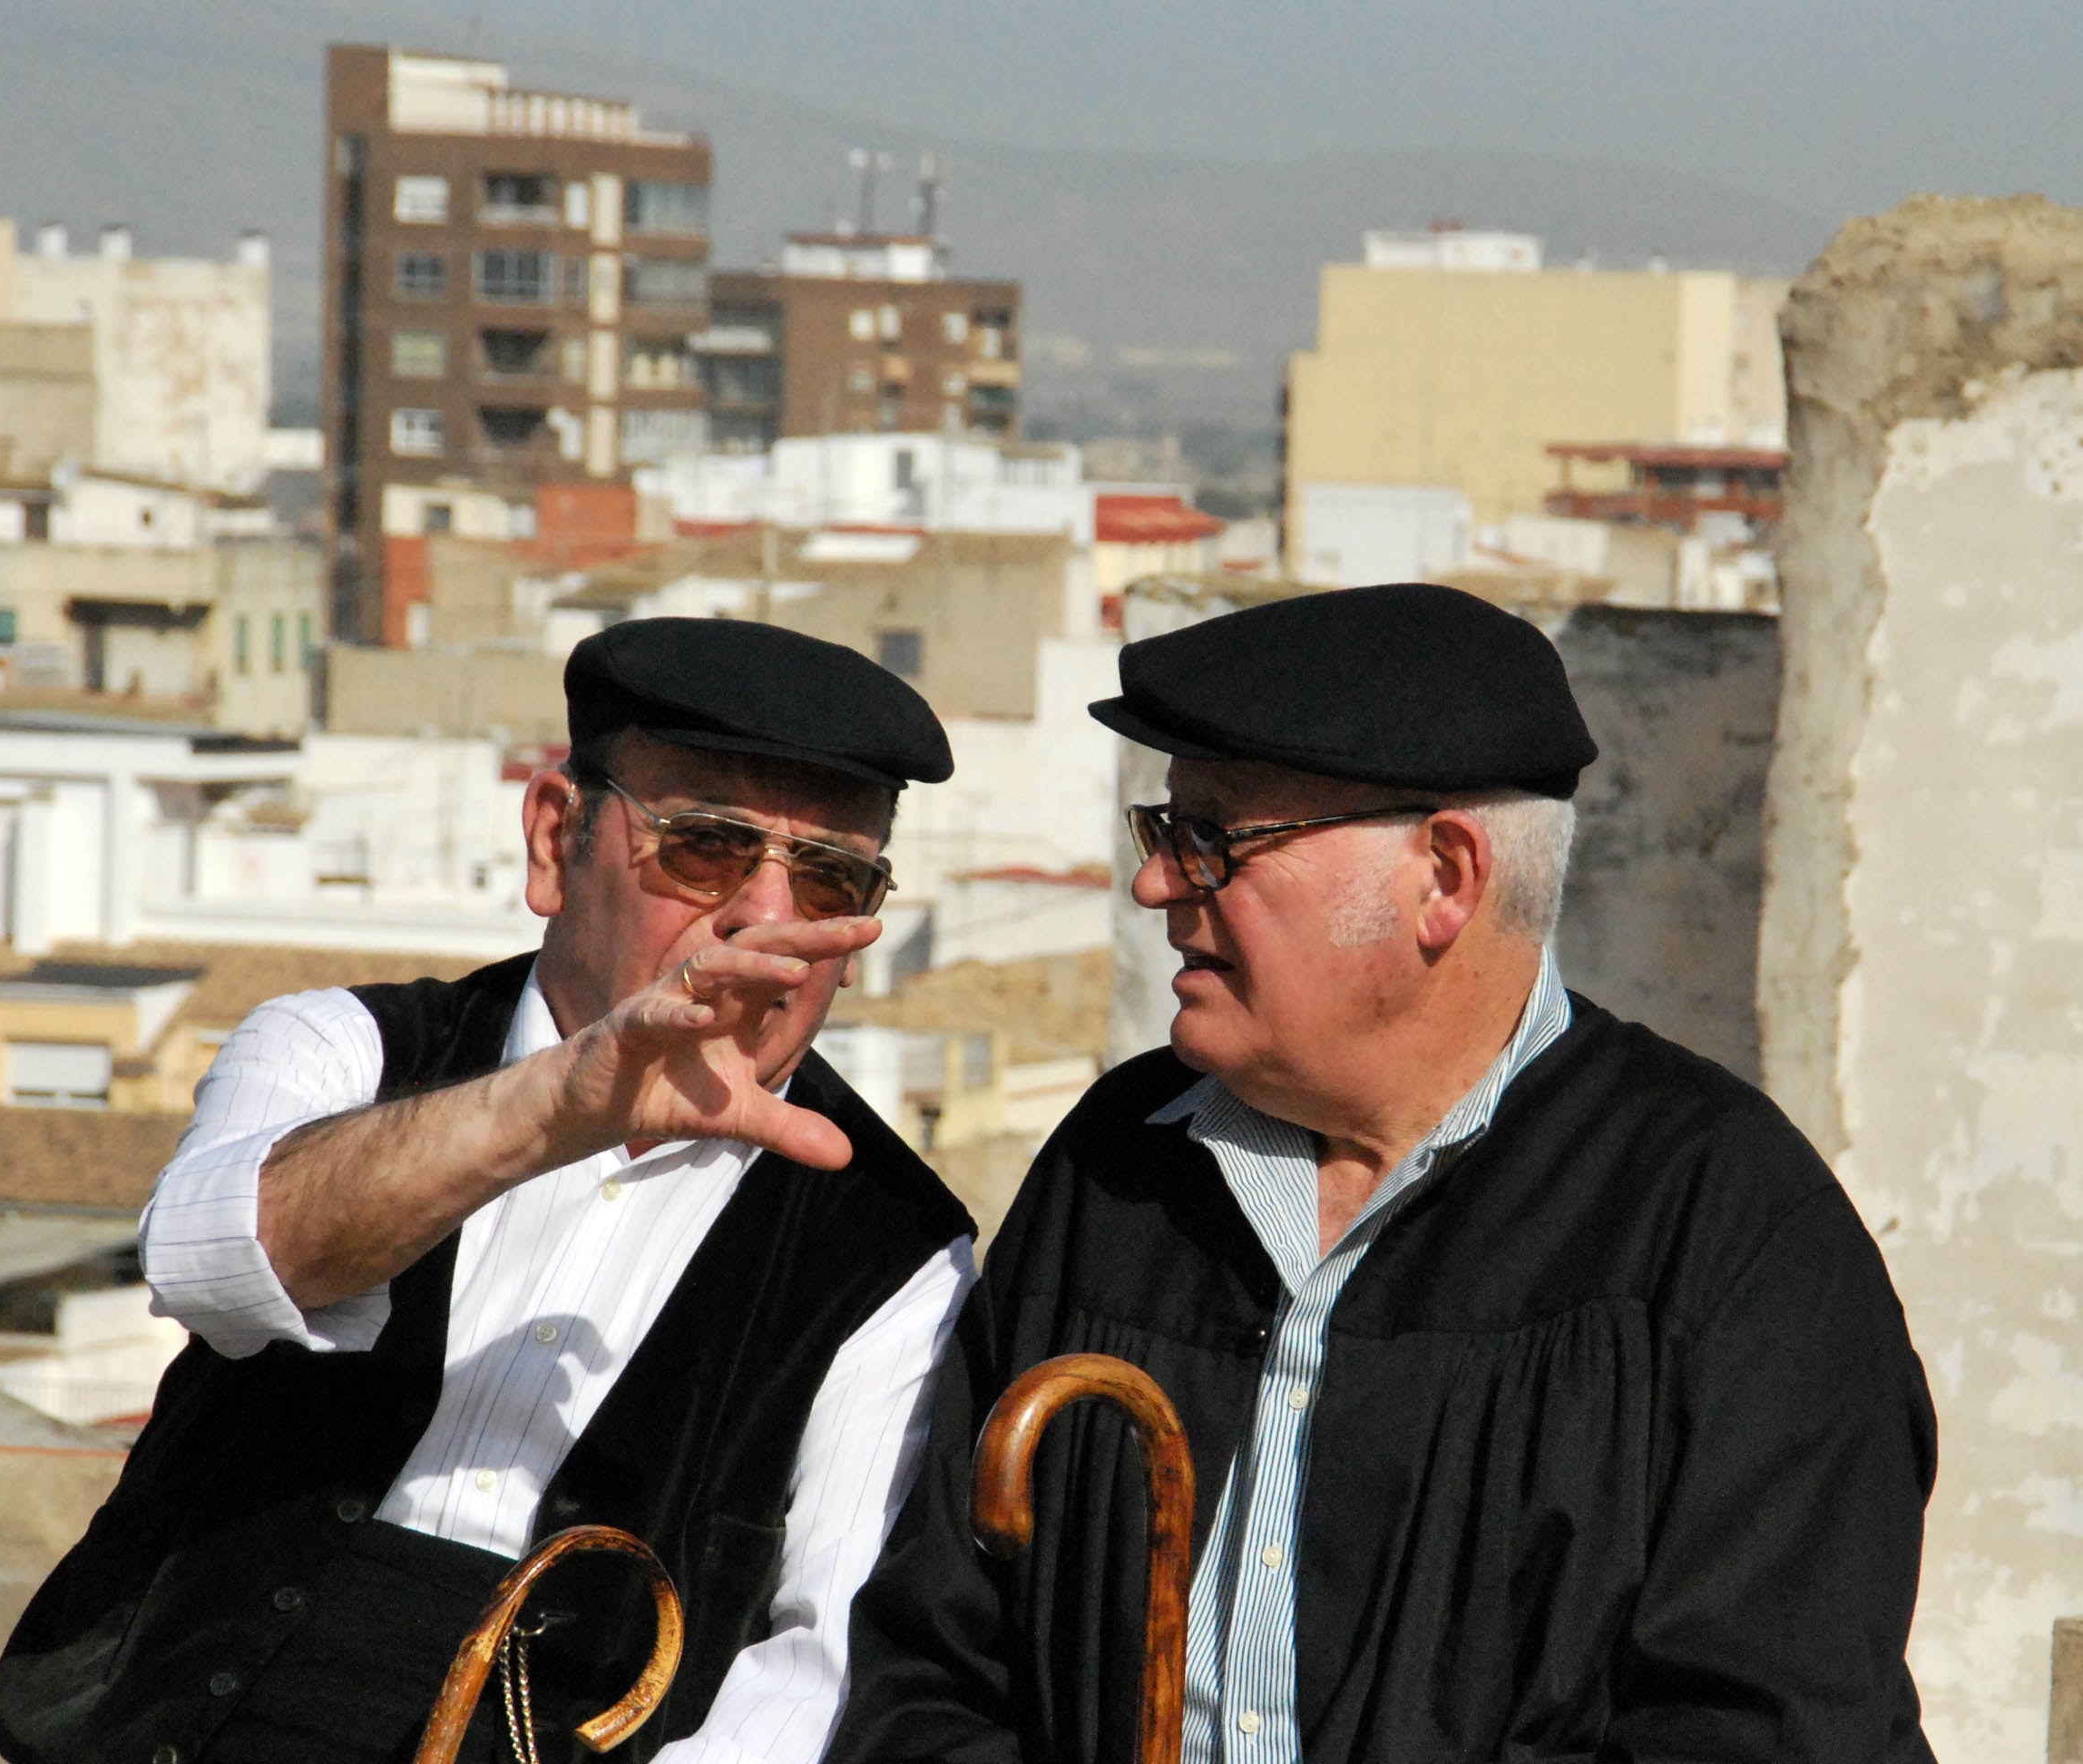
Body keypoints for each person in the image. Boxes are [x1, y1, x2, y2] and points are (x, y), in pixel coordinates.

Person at [826, 583, 1937, 1764]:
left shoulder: (1724, 1229)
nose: (1155, 884)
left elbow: (1767, 1729)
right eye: (1163, 831)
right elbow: (932, 1665)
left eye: (1213, 839)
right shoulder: (1119, 1164)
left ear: (1443, 878)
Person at [0, 618, 978, 1764]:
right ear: (556, 842)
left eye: (828, 877)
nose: (765, 915)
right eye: (707, 847)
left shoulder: (898, 1245)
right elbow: (211, 1267)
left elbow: (824, 1661)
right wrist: (558, 1104)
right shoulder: (343, 1047)